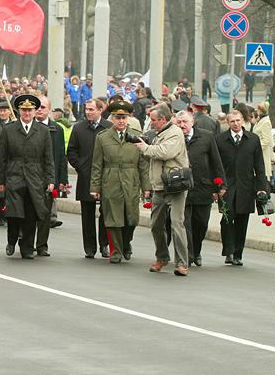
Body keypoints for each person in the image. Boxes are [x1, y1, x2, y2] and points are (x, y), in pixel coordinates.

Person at [133, 104, 191, 276]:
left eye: (153, 120)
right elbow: (152, 157)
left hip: (175, 186)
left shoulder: (175, 132)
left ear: (163, 120)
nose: (151, 124)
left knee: (176, 224)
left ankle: (182, 263)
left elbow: (165, 152)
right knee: (156, 224)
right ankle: (162, 257)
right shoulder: (158, 133)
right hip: (159, 186)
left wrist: (144, 147)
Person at [0, 94, 54, 259]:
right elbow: (1, 158)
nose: (27, 113)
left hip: (35, 178)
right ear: (19, 111)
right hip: (14, 176)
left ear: (35, 111)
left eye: (30, 110)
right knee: (14, 213)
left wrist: (50, 180)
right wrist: (0, 181)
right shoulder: (9, 130)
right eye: (24, 110)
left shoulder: (43, 131)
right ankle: (12, 239)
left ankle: (27, 247)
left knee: (30, 214)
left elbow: (48, 158)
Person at [89, 101, 149, 263]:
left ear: (128, 118)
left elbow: (143, 164)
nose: (121, 121)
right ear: (112, 119)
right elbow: (97, 164)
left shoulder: (137, 136)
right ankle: (116, 250)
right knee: (113, 218)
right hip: (111, 180)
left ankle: (126, 242)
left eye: (124, 117)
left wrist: (146, 187)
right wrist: (95, 187)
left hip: (131, 180)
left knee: (132, 218)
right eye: (117, 117)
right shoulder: (102, 138)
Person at [216, 110, 268, 266]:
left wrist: (261, 187)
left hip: (246, 187)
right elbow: (215, 165)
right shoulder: (220, 140)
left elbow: (259, 165)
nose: (236, 124)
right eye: (232, 121)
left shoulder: (253, 139)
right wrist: (216, 186)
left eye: (238, 120)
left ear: (243, 121)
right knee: (226, 219)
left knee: (242, 221)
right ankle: (229, 251)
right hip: (226, 187)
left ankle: (238, 254)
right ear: (228, 123)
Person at [174, 111, 224, 267]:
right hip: (182, 188)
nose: (182, 125)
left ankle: (196, 251)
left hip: (203, 187)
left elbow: (216, 161)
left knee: (201, 223)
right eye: (179, 122)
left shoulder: (207, 137)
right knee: (185, 224)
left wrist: (220, 184)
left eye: (185, 122)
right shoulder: (174, 137)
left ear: (192, 122)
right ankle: (187, 257)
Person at [67, 98, 112, 258]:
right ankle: (90, 247)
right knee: (87, 214)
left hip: (105, 177)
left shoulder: (108, 127)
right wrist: (81, 166)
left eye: (91, 109)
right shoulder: (79, 128)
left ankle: (104, 245)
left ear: (100, 110)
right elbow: (71, 151)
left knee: (106, 212)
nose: (88, 112)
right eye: (87, 109)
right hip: (86, 176)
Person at [34, 95, 68, 256]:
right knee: (28, 212)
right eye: (38, 107)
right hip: (30, 175)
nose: (40, 110)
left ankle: (41, 245)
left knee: (45, 214)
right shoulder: (28, 126)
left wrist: (62, 179)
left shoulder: (57, 129)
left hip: (48, 177)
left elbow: (61, 155)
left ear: (49, 110)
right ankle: (25, 241)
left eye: (43, 107)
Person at [252, 102, 274, 185]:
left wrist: (255, 148)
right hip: (258, 153)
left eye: (258, 109)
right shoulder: (260, 120)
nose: (257, 110)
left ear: (261, 110)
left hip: (262, 153)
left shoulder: (266, 122)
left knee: (263, 176)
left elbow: (266, 140)